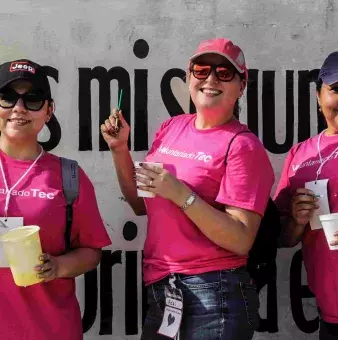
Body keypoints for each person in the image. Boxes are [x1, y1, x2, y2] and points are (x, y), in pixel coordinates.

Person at [102, 38, 274, 340]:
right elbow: (140, 205)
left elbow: (241, 239)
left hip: (214, 292)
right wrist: (119, 149)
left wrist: (181, 194)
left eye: (224, 73)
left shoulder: (243, 146)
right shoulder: (172, 128)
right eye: (201, 70)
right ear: (188, 77)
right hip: (164, 288)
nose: (210, 79)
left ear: (242, 85)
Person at [0, 59, 111, 340]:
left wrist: (58, 267)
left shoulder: (68, 175)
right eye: (7, 97)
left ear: (49, 111)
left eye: (33, 100)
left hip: (50, 331)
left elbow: (91, 251)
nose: (19, 108)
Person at [274, 51, 338, 339]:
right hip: (331, 314)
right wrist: (298, 221)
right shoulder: (300, 155)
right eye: (336, 90)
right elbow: (284, 239)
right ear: (318, 96)